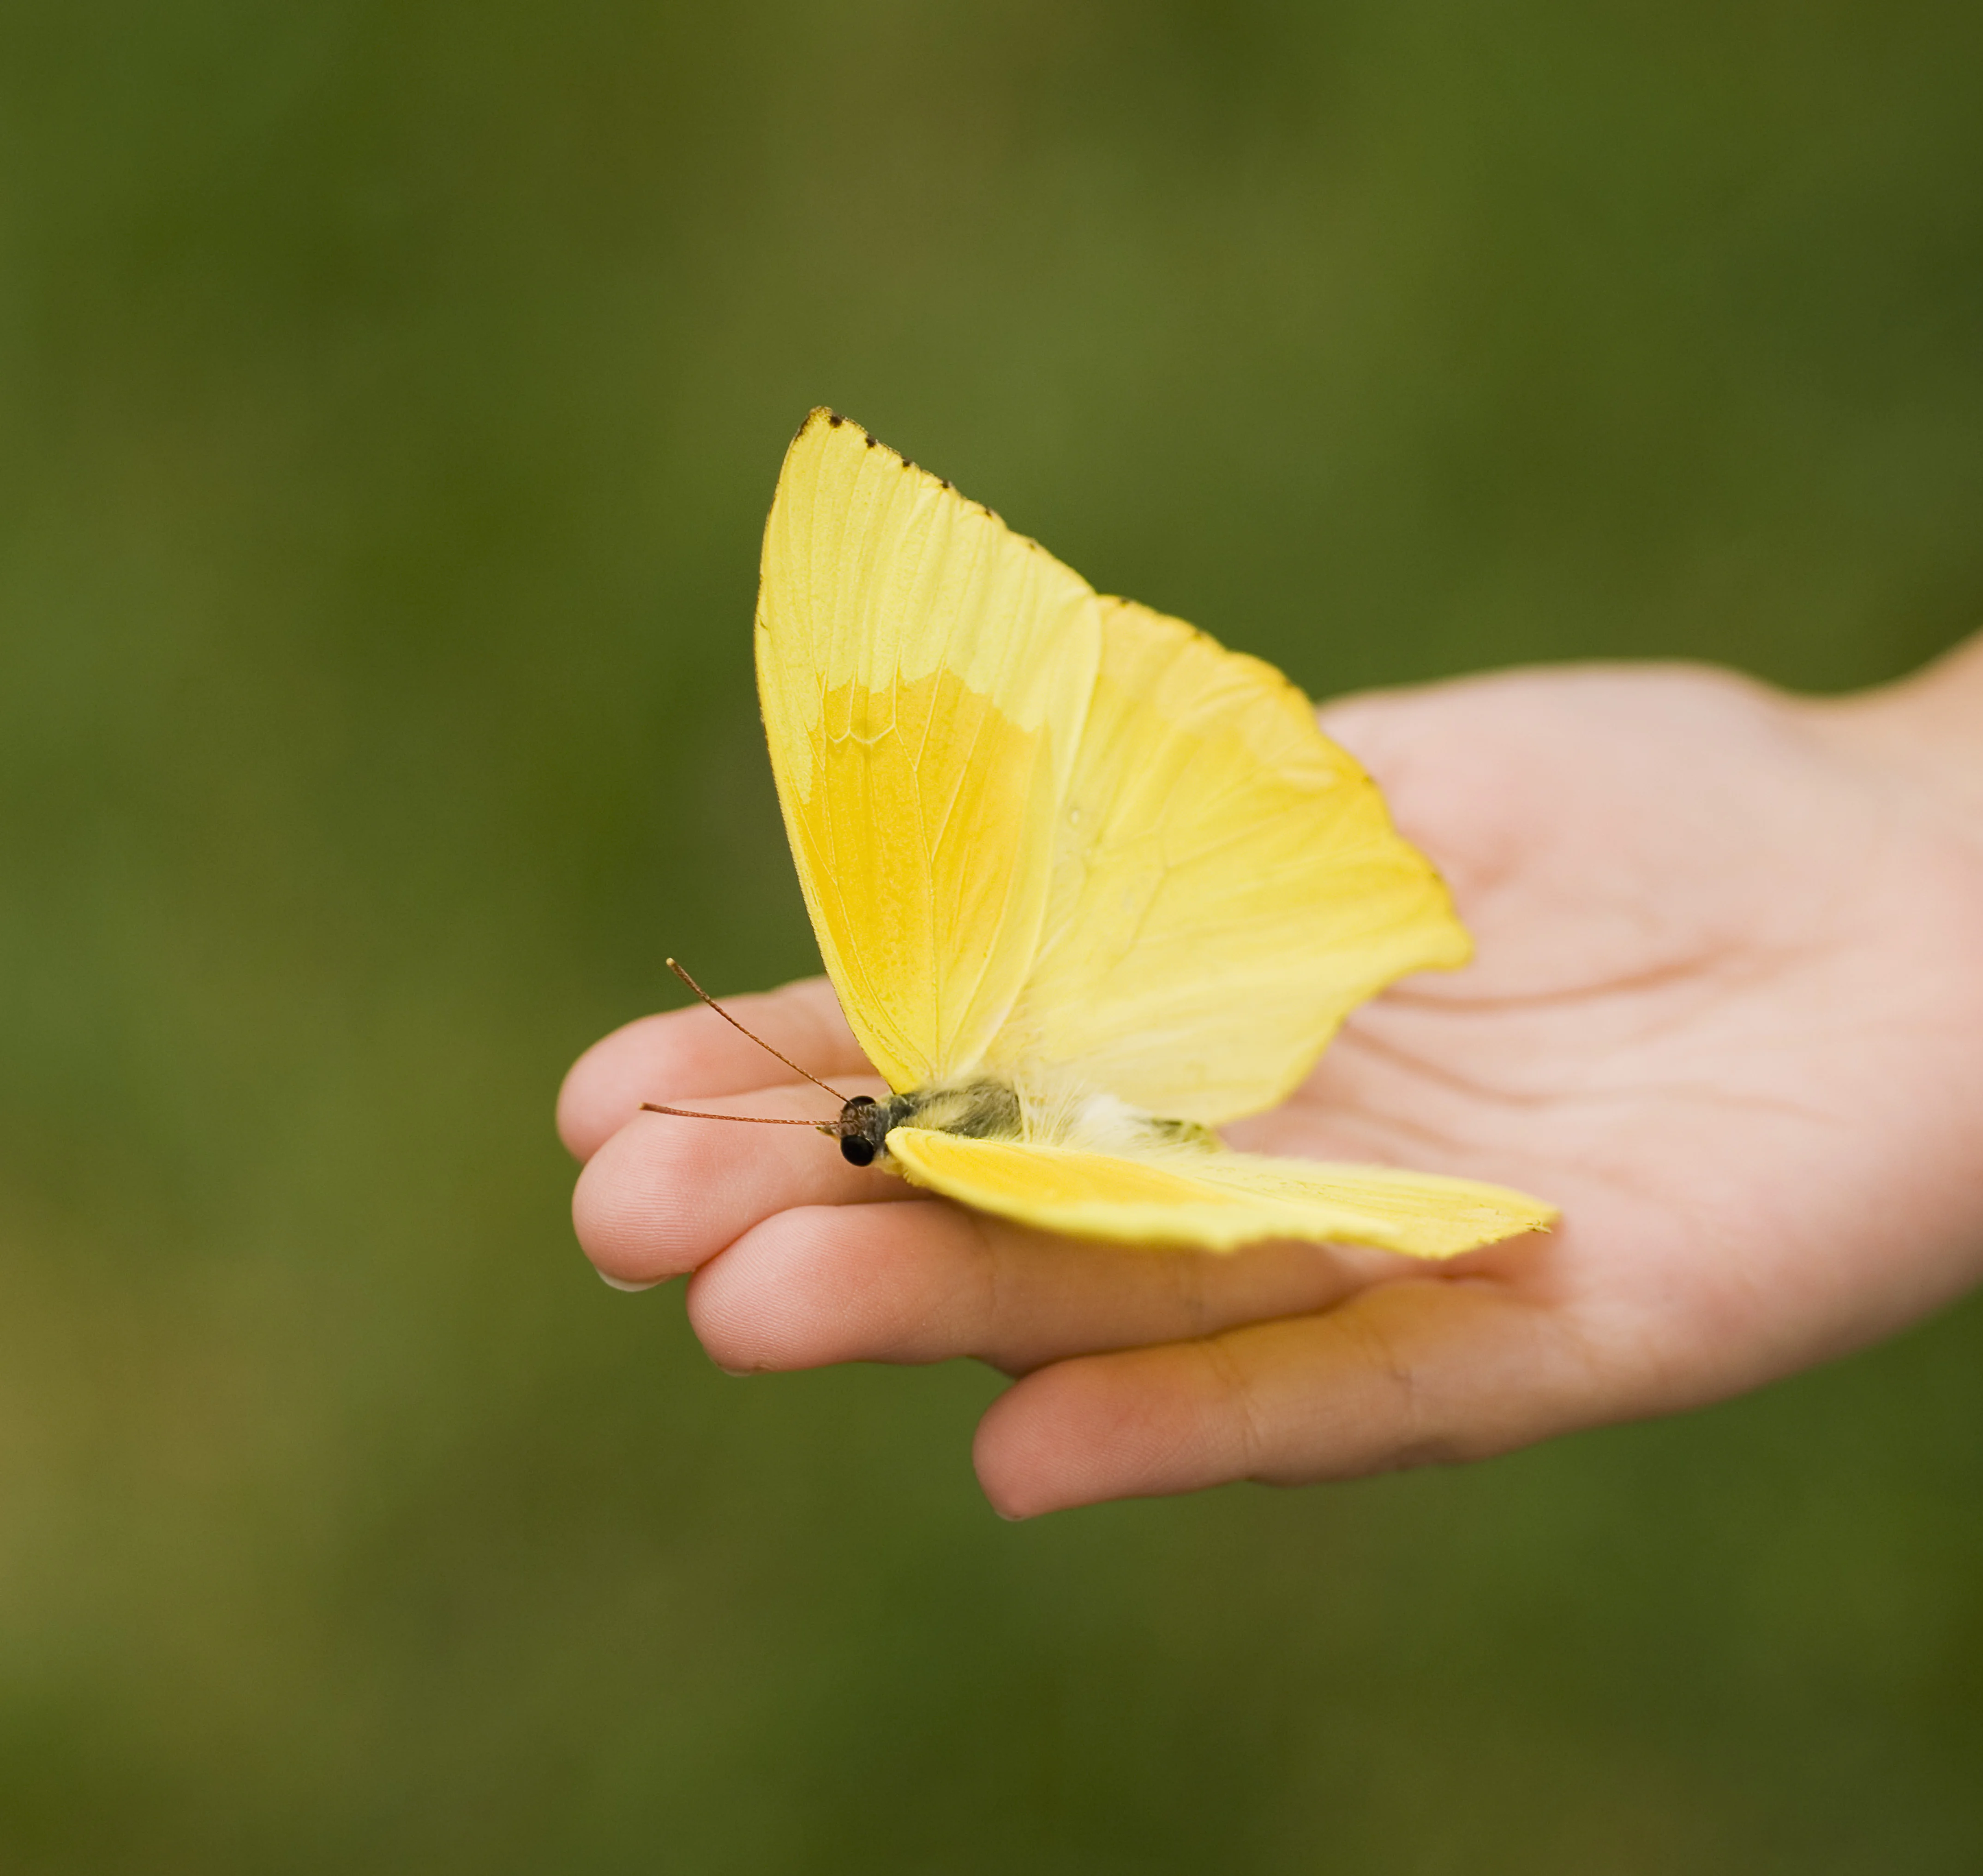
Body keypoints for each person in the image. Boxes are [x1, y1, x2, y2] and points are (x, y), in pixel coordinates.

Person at [557, 634, 1983, 1518]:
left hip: (1112, 1122)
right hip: (1111, 1095)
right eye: (865, 1133)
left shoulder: (919, 1117)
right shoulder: (935, 1114)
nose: (865, 1125)